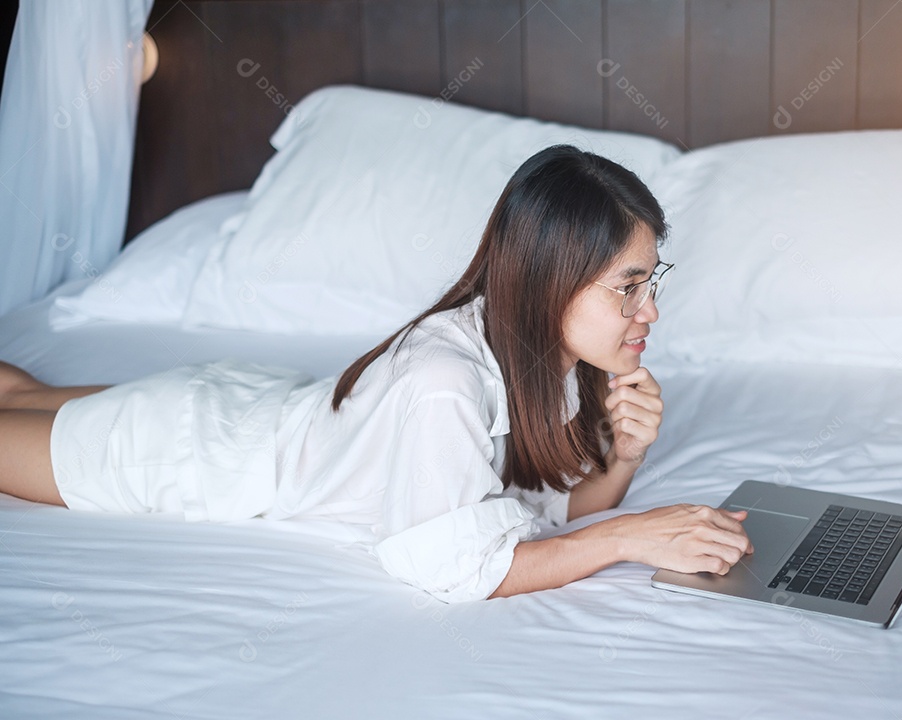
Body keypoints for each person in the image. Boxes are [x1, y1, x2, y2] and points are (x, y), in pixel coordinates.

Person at [0, 145, 752, 603]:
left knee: (18, 391)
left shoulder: (544, 363)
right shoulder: (443, 382)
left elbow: (541, 511)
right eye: (629, 286)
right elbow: (463, 571)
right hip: (180, 454)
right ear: (555, 279)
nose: (650, 309)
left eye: (654, 280)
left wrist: (625, 458)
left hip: (240, 407)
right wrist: (629, 536)